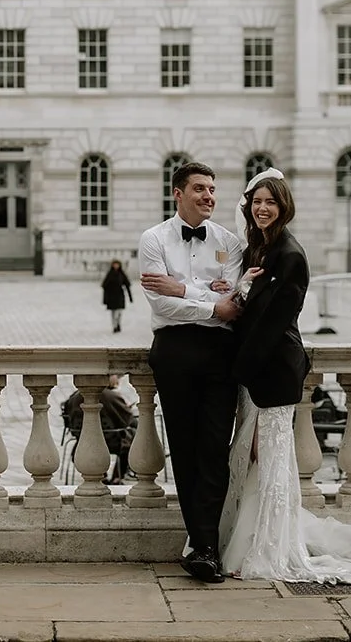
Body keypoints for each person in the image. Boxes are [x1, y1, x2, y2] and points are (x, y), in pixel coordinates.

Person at [219, 171, 351, 583]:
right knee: (252, 459)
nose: (262, 208)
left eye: (271, 202)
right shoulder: (258, 249)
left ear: (284, 206)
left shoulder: (290, 254)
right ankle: (248, 541)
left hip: (272, 370)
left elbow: (274, 323)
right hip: (253, 371)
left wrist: (238, 369)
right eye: (257, 202)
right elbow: (250, 312)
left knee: (270, 462)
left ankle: (270, 547)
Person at [138, 161, 244, 583]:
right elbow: (160, 304)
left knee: (216, 448)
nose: (209, 196)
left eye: (213, 189)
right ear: (177, 193)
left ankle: (206, 547)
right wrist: (211, 302)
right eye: (200, 188)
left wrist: (183, 289)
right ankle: (203, 545)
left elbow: (235, 304)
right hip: (175, 349)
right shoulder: (153, 239)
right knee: (183, 448)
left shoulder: (230, 242)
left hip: (221, 352)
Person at [61, 375, 140, 483]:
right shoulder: (111, 396)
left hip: (83, 441)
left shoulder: (74, 397)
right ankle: (118, 477)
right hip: (111, 441)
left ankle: (102, 475)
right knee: (134, 435)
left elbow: (68, 421)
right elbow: (127, 420)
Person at [101, 259, 133, 333]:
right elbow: (105, 286)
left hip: (120, 295)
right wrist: (105, 299)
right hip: (111, 296)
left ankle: (118, 323)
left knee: (119, 312)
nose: (116, 266)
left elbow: (127, 285)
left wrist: (130, 297)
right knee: (113, 312)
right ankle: (114, 326)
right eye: (114, 264)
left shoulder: (122, 274)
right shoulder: (110, 274)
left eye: (117, 264)